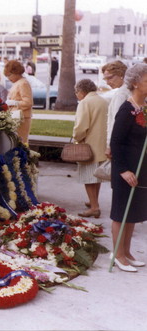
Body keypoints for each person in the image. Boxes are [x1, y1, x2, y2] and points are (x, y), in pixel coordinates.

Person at [109, 63, 147, 272]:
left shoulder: (145, 107)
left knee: (133, 212)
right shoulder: (126, 109)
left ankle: (127, 251)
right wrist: (123, 170)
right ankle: (118, 255)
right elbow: (116, 142)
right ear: (135, 83)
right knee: (122, 211)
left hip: (141, 168)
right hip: (126, 170)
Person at [72, 79, 108, 218]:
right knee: (96, 177)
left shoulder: (85, 102)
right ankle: (94, 202)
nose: (76, 95)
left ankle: (94, 207)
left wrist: (76, 137)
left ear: (81, 91)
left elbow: (81, 126)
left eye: (76, 92)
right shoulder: (104, 101)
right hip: (102, 146)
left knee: (88, 178)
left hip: (88, 146)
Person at [101, 60, 129, 159]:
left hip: (120, 143)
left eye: (110, 78)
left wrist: (109, 145)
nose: (108, 82)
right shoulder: (130, 90)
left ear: (121, 74)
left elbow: (116, 121)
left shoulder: (121, 94)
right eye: (105, 79)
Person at [4, 60, 33, 144]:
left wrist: (14, 103)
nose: (8, 78)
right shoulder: (17, 83)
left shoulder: (23, 83)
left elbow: (28, 103)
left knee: (21, 142)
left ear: (16, 72)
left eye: (9, 75)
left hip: (22, 118)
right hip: (15, 117)